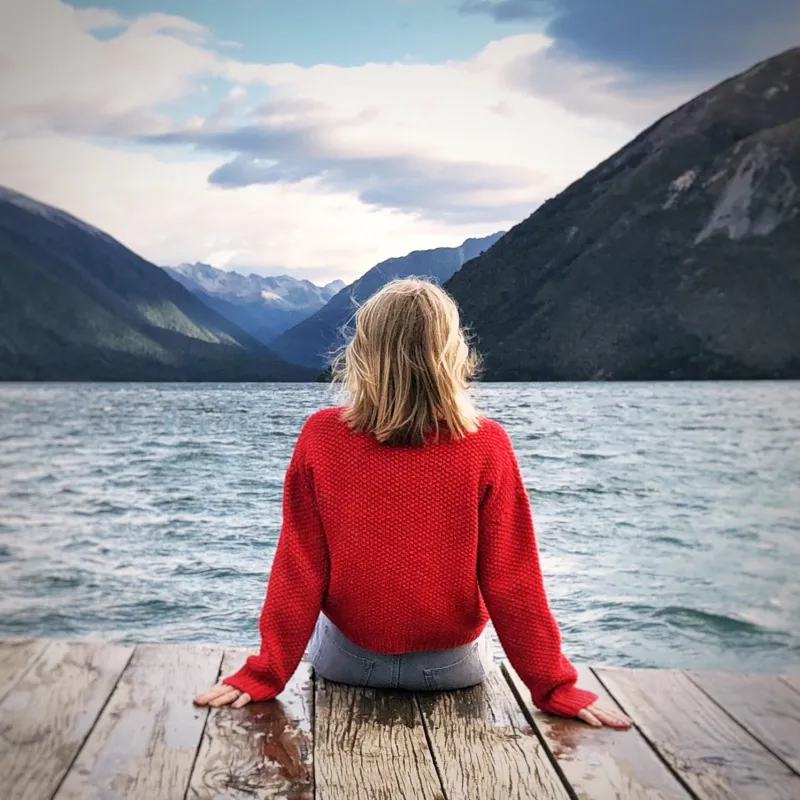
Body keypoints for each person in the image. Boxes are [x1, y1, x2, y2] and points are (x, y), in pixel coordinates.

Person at [194, 277, 631, 729]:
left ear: (362, 352)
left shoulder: (321, 436)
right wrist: (553, 686)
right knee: (479, 635)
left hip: (348, 661)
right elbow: (512, 579)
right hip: (449, 670)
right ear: (452, 353)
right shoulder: (487, 443)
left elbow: (299, 567)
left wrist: (266, 673)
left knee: (329, 624)